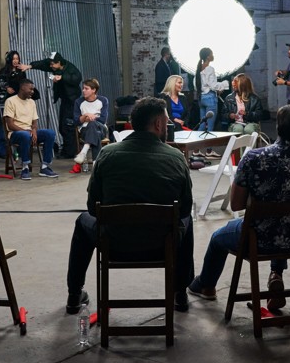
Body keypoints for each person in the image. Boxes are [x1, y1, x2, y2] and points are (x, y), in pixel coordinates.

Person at [189, 101, 290, 311]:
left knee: (218, 237)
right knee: (283, 223)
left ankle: (206, 286)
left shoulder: (254, 159)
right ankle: (276, 274)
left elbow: (237, 203)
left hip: (256, 239)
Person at [64, 97, 194, 314]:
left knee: (82, 222)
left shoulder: (107, 154)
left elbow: (92, 207)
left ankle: (74, 294)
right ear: (159, 124)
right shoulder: (176, 157)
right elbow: (185, 208)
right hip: (162, 243)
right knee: (185, 221)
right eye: (167, 121)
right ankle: (180, 293)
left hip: (114, 242)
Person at [22, 52, 82, 158]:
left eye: (52, 64)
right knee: (62, 127)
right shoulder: (55, 67)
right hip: (65, 100)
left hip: (72, 101)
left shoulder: (71, 69)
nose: (51, 67)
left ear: (59, 63)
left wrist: (62, 77)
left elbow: (77, 79)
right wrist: (30, 66)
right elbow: (43, 64)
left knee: (68, 126)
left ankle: (69, 153)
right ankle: (68, 150)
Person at [3, 78, 58, 181]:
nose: (32, 92)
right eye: (31, 89)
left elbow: (34, 121)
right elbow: (10, 125)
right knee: (25, 135)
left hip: (29, 132)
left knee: (50, 133)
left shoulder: (31, 102)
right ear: (22, 88)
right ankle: (25, 168)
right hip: (15, 134)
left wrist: (33, 130)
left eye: (33, 89)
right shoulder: (10, 101)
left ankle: (45, 167)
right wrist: (27, 131)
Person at [72, 78, 109, 170]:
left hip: (101, 128)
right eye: (83, 88)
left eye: (86, 88)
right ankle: (96, 165)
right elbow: (76, 121)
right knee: (94, 133)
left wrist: (90, 118)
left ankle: (83, 152)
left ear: (94, 90)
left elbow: (103, 120)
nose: (83, 90)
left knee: (92, 124)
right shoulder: (79, 102)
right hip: (85, 131)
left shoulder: (103, 100)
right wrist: (86, 115)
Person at [195, 47, 229, 134]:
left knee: (202, 124)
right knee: (209, 126)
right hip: (210, 98)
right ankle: (208, 147)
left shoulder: (199, 69)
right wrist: (224, 84)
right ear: (207, 57)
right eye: (211, 54)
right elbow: (213, 85)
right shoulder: (209, 69)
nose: (213, 56)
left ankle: (195, 145)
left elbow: (196, 85)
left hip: (201, 98)